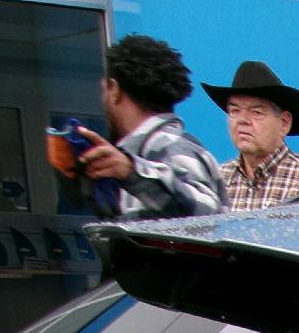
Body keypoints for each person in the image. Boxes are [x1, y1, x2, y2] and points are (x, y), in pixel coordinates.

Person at [74, 36, 226, 220]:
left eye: (104, 90)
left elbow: (206, 213)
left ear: (114, 89)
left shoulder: (170, 146)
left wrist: (133, 173)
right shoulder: (133, 158)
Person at [202, 61, 299, 211]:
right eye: (234, 111)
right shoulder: (218, 180)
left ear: (284, 123)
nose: (242, 120)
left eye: (256, 112)